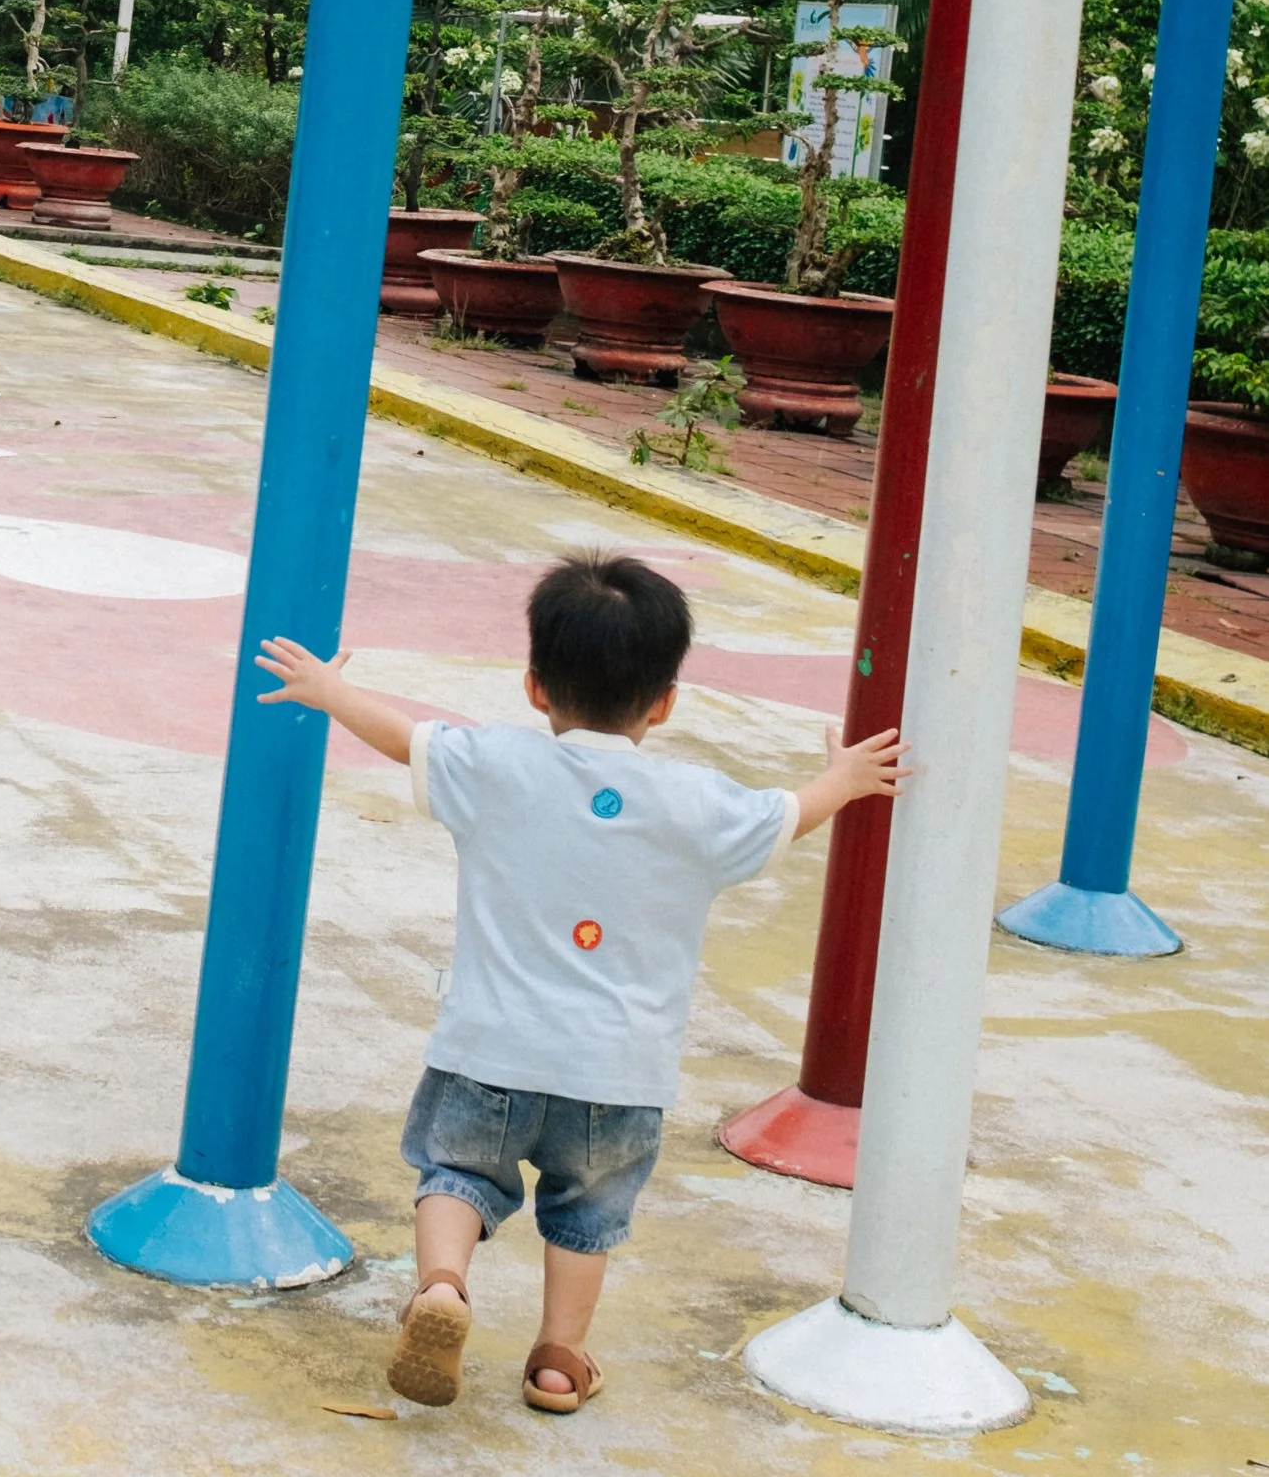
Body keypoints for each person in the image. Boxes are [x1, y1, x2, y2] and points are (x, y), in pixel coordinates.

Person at [259, 551, 902, 1417]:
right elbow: (784, 818)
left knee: (455, 1173)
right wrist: (845, 778)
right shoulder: (699, 803)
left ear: (534, 687)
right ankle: (559, 1361)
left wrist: (329, 691)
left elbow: (404, 735)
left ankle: (443, 1288)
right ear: (665, 701)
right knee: (586, 1215)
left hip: (488, 1048)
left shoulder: (494, 766)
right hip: (618, 1074)